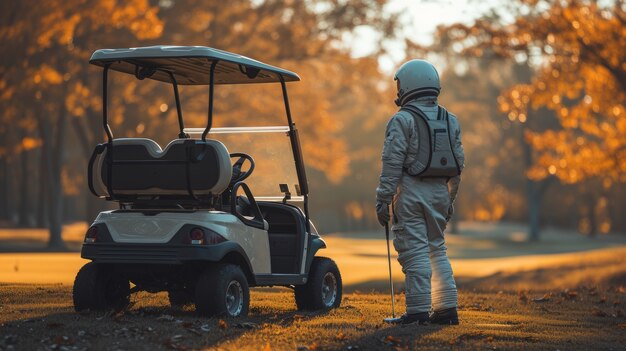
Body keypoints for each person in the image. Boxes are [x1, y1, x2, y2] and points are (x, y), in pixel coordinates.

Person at [375, 59, 465, 325]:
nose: (399, 91)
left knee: (413, 250)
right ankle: (447, 309)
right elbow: (458, 166)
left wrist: (383, 201)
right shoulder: (450, 120)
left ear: (410, 85)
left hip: (411, 193)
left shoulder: (402, 120)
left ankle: (416, 312)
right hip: (440, 191)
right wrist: (449, 202)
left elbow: (392, 164)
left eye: (400, 85)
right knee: (437, 248)